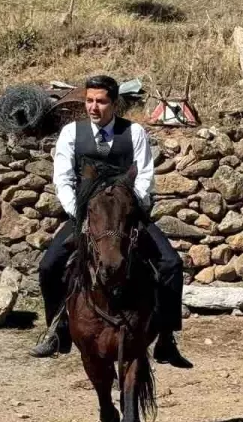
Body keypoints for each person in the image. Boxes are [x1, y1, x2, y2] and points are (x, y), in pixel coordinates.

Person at [30, 74, 193, 368]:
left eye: (101, 101)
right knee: (49, 266)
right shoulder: (71, 133)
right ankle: (58, 329)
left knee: (171, 264)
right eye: (89, 100)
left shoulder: (135, 133)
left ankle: (167, 338)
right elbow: (63, 179)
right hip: (86, 216)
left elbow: (144, 176)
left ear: (115, 103)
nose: (93, 107)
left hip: (127, 215)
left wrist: (129, 208)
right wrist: (77, 211)